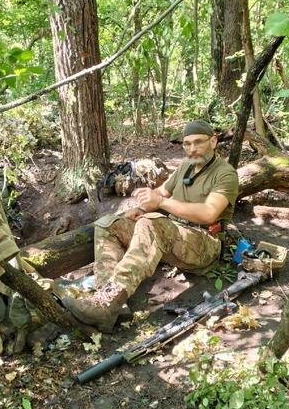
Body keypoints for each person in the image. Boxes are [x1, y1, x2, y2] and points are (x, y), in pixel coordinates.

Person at [64, 120, 239, 332]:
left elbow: (209, 213)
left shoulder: (225, 173)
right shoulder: (186, 166)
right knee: (108, 224)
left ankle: (105, 304)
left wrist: (161, 205)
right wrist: (145, 205)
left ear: (213, 141)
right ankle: (109, 303)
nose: (192, 149)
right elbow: (162, 192)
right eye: (187, 144)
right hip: (174, 234)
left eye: (198, 142)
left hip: (205, 244)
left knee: (151, 224)